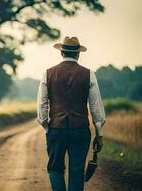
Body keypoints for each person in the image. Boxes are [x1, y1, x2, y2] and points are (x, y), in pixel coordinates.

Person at [36, 36, 106, 191]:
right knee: (76, 171)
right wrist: (99, 133)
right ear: (78, 54)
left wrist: (48, 127)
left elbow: (42, 106)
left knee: (55, 168)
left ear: (61, 52)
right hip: (80, 130)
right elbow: (96, 107)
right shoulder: (89, 74)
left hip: (56, 130)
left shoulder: (48, 73)